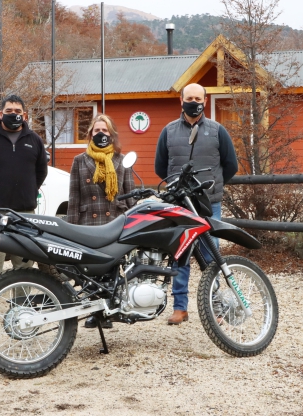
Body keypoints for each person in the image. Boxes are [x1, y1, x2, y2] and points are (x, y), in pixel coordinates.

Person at [154, 83, 238, 325]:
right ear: (181, 101)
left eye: (198, 97)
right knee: (180, 256)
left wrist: (211, 186)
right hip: (178, 205)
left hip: (208, 205)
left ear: (205, 100)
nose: (194, 101)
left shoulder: (217, 130)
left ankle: (216, 307)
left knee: (211, 256)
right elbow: (161, 167)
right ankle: (180, 307)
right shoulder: (168, 132)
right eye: (189, 97)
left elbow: (230, 165)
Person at [0, 94, 48, 288]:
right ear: (0, 113)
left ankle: (21, 315)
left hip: (25, 215)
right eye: (9, 111)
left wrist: (28, 192)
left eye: (18, 112)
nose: (14, 115)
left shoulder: (35, 140)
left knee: (24, 269)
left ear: (25, 115)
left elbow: (41, 172)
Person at [67, 114, 135, 328]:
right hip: (88, 222)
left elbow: (130, 195)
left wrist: (133, 227)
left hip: (115, 221)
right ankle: (93, 312)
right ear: (90, 134)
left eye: (105, 131)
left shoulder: (121, 160)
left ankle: (109, 312)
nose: (101, 135)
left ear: (112, 135)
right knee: (89, 271)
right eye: (97, 131)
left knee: (112, 269)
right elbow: (74, 198)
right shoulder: (79, 160)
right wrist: (71, 230)